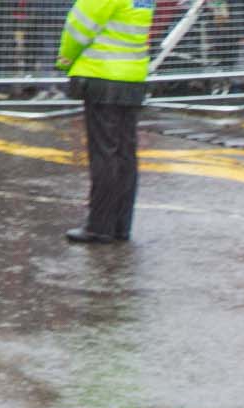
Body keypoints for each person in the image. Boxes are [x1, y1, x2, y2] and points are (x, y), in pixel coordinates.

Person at [55, 0, 151, 245]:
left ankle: (99, 225)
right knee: (125, 153)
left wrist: (65, 60)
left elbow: (79, 27)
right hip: (132, 76)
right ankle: (120, 224)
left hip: (102, 75)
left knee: (104, 153)